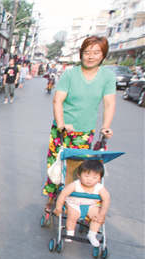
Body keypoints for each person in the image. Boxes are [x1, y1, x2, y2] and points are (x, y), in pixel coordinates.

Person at [42, 36, 116, 213]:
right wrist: (61, 125)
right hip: (62, 129)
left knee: (77, 168)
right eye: (87, 52)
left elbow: (109, 104)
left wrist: (106, 126)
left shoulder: (107, 76)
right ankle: (52, 200)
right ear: (81, 54)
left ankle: (70, 201)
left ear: (103, 55)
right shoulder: (70, 74)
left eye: (96, 52)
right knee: (56, 166)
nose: (91, 56)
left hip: (85, 132)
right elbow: (57, 100)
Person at [53, 160, 110, 247]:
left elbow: (106, 199)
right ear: (79, 175)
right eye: (86, 176)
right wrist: (58, 207)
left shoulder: (99, 188)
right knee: (73, 215)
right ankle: (70, 232)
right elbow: (63, 194)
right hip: (74, 204)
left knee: (97, 217)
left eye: (94, 177)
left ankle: (92, 234)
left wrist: (102, 214)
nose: (90, 180)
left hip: (91, 205)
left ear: (99, 179)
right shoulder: (75, 185)